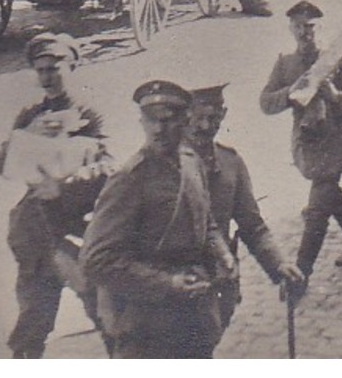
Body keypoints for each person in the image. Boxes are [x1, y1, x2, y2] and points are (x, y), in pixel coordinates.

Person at [80, 82, 234, 359]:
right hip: (147, 329)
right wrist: (168, 283)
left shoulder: (192, 162)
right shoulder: (129, 179)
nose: (158, 130)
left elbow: (205, 219)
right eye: (150, 121)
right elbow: (95, 260)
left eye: (167, 120)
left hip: (195, 320)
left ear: (185, 120)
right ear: (141, 121)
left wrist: (221, 252)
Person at [0, 34, 113, 359]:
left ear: (73, 65)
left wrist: (67, 183)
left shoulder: (90, 115)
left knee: (105, 315)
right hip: (36, 234)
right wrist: (25, 137)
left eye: (54, 68)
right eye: (41, 70)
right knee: (32, 323)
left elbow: (110, 168)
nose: (47, 77)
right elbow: (3, 165)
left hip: (77, 230)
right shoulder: (29, 115)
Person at [259, 1, 342, 279]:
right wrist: (291, 92)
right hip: (308, 144)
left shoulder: (335, 60)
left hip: (337, 141)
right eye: (298, 26)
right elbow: (265, 103)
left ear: (319, 28)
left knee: (317, 207)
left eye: (310, 26)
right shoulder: (285, 64)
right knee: (330, 195)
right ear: (290, 29)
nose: (304, 32)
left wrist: (336, 97)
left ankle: (301, 274)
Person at [183, 85, 304, 335]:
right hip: (174, 291)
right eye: (197, 118)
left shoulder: (231, 164)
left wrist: (278, 264)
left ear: (224, 114)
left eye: (214, 117)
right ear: (184, 117)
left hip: (220, 285)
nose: (205, 126)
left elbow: (252, 226)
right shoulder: (163, 166)